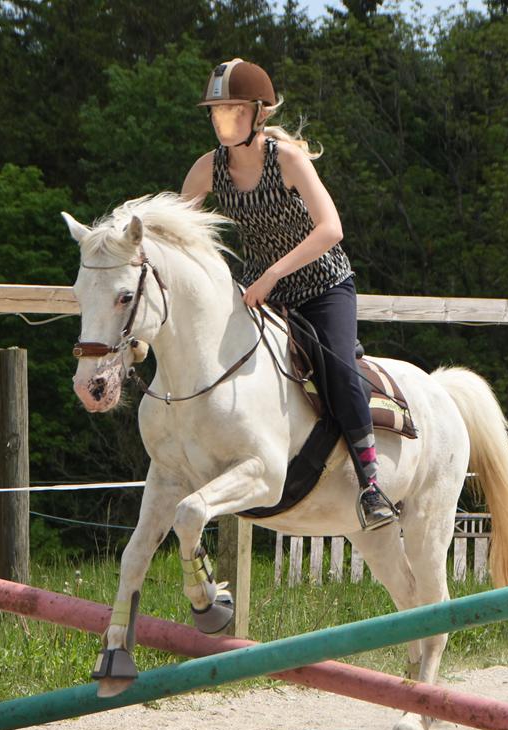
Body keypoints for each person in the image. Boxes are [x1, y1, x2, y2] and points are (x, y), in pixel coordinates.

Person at [181, 58, 397, 530]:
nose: (222, 122)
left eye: (233, 111)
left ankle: (371, 484)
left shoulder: (289, 160)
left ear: (259, 115)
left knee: (337, 365)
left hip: (322, 286)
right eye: (216, 113)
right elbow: (178, 235)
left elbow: (331, 228)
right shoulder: (204, 171)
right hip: (263, 294)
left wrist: (272, 275)